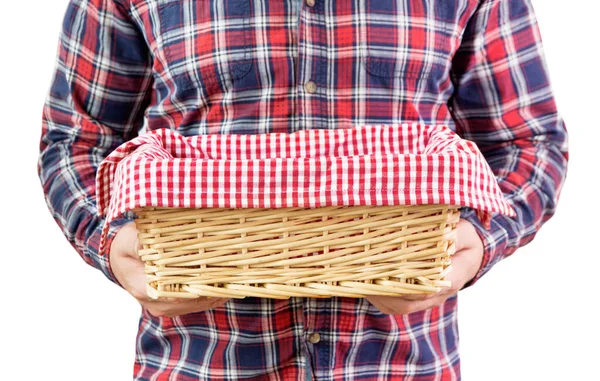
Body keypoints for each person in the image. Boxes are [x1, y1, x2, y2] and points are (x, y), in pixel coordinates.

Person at [38, 0, 568, 379]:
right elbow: (77, 139)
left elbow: (528, 141)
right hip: (200, 361)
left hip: (401, 364)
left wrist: (480, 241)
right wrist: (109, 241)